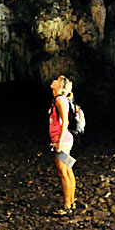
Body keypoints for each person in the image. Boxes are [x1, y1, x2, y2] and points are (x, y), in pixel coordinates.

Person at [49, 75, 76, 215]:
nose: (52, 81)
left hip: (63, 141)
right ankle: (71, 202)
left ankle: (67, 207)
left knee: (63, 172)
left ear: (60, 86)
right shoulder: (60, 100)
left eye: (56, 80)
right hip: (63, 140)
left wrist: (58, 142)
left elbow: (65, 122)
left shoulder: (60, 100)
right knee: (68, 170)